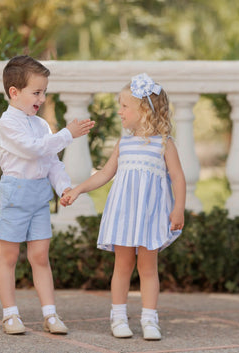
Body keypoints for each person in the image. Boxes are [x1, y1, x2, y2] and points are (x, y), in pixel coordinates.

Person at [60, 73, 186, 340]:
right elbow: (105, 174)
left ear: (144, 111)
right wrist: (79, 188)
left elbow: (178, 177)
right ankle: (118, 317)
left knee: (148, 268)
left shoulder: (165, 144)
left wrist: (178, 209)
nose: (120, 111)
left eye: (125, 106)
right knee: (122, 266)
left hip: (150, 216)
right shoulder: (124, 143)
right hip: (125, 215)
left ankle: (150, 319)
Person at [0, 55, 95, 335]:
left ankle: (50, 315)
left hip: (38, 198)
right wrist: (67, 134)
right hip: (15, 195)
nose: (42, 97)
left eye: (44, 92)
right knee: (9, 256)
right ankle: (10, 315)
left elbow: (51, 162)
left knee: (40, 256)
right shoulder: (8, 123)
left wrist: (64, 188)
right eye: (36, 92)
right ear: (14, 92)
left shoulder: (41, 125)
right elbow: (34, 149)